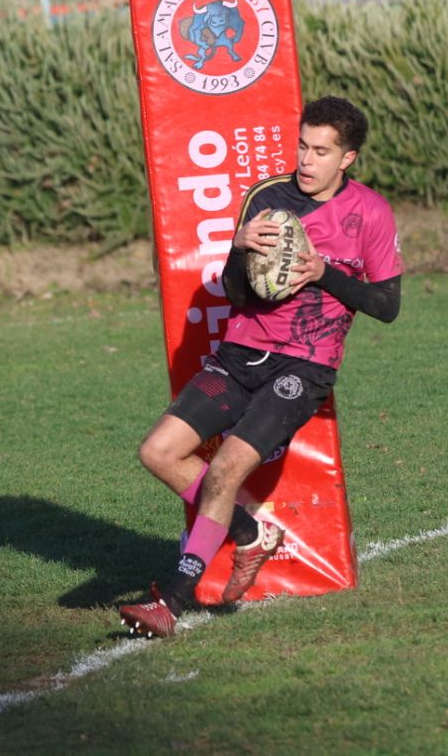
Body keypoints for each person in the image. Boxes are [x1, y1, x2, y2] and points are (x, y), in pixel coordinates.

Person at [121, 96, 404, 638]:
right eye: (302, 146)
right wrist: (237, 249)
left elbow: (387, 306)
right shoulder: (267, 198)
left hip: (305, 366)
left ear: (347, 158)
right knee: (157, 451)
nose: (307, 160)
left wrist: (323, 273)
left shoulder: (370, 212)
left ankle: (171, 603)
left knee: (226, 468)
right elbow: (236, 290)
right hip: (241, 353)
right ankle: (251, 533)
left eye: (321, 151)